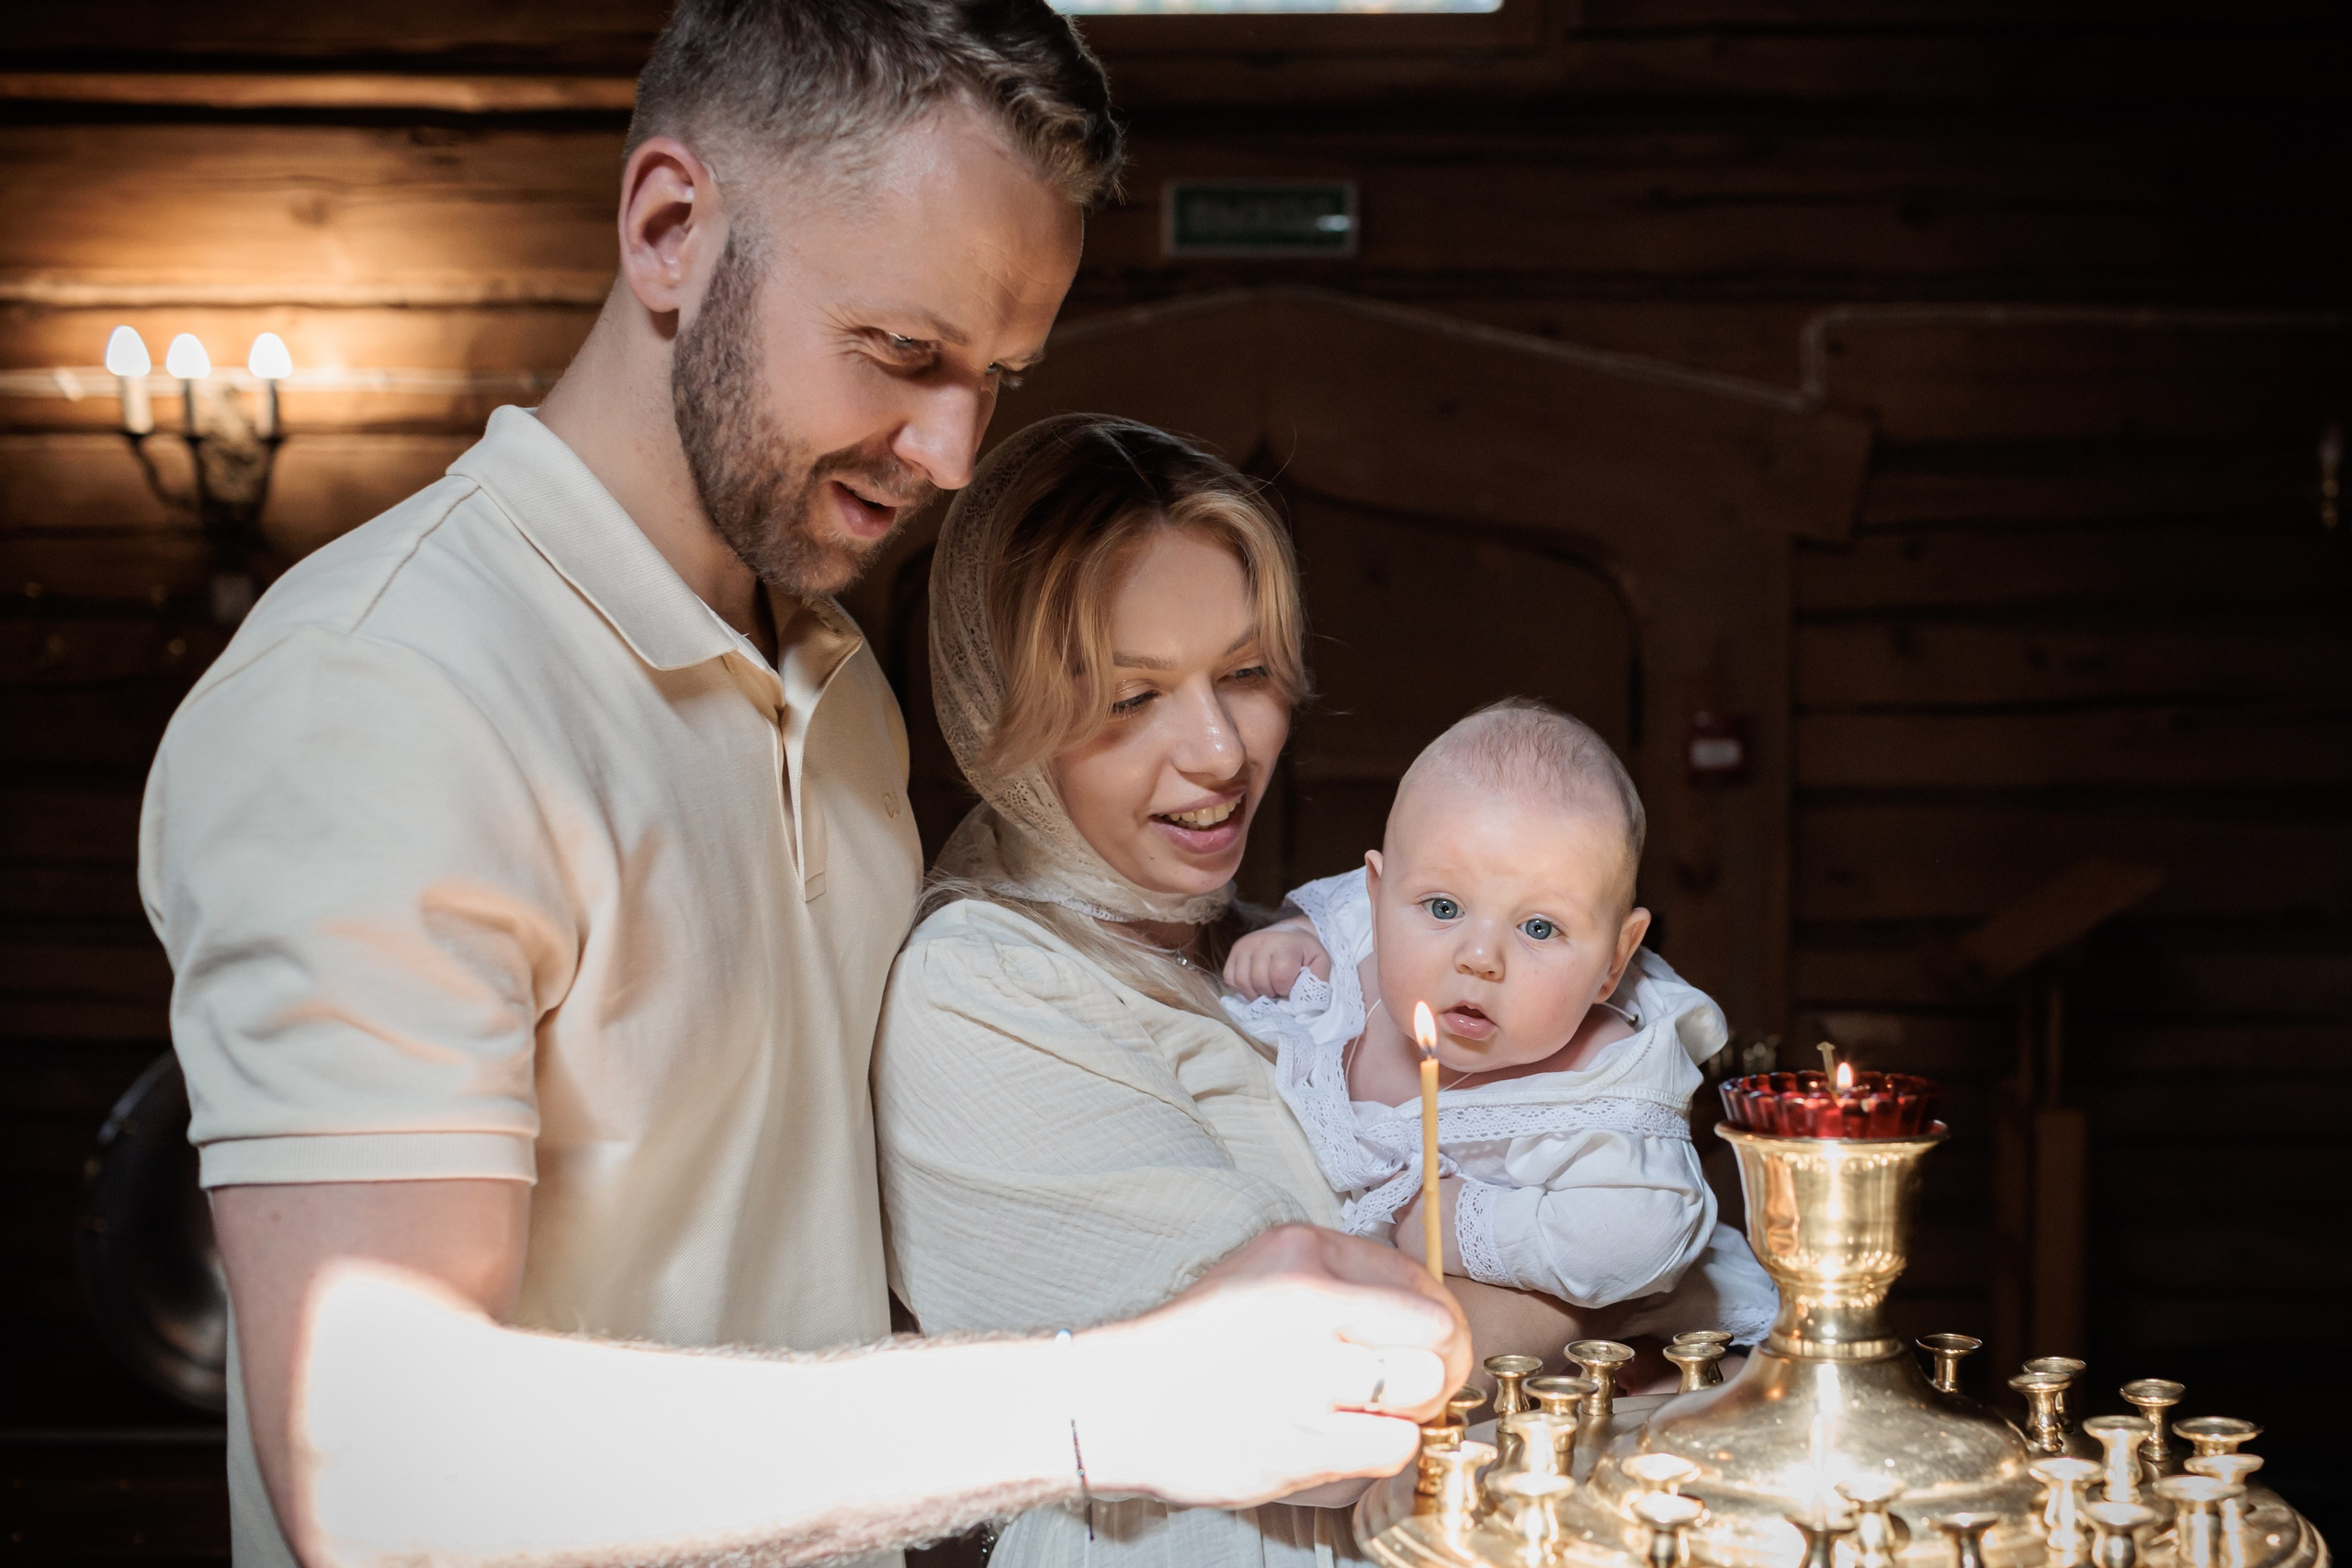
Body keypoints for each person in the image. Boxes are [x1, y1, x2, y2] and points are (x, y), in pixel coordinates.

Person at [134, 6, 1464, 1566]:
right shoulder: (378, 691)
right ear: (671, 230)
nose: (959, 449)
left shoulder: (830, 682)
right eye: (902, 353)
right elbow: (375, 1472)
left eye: (997, 375)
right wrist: (1098, 1399)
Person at [875, 415, 1609, 1568]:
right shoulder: (981, 989)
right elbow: (1316, 1395)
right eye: (1131, 697)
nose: (1219, 750)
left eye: (1246, 673)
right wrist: (1600, 1302)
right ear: (994, 711)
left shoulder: (1272, 951)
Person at [1222, 700, 1777, 1343]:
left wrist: (1463, 1223)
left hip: (1606, 1345)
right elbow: (1338, 912)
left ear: (1613, 959)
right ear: (1379, 895)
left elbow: (1636, 1236)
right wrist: (1295, 940)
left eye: (1539, 926)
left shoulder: (1605, 1079)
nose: (1480, 956)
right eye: (1444, 905)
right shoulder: (1359, 941)